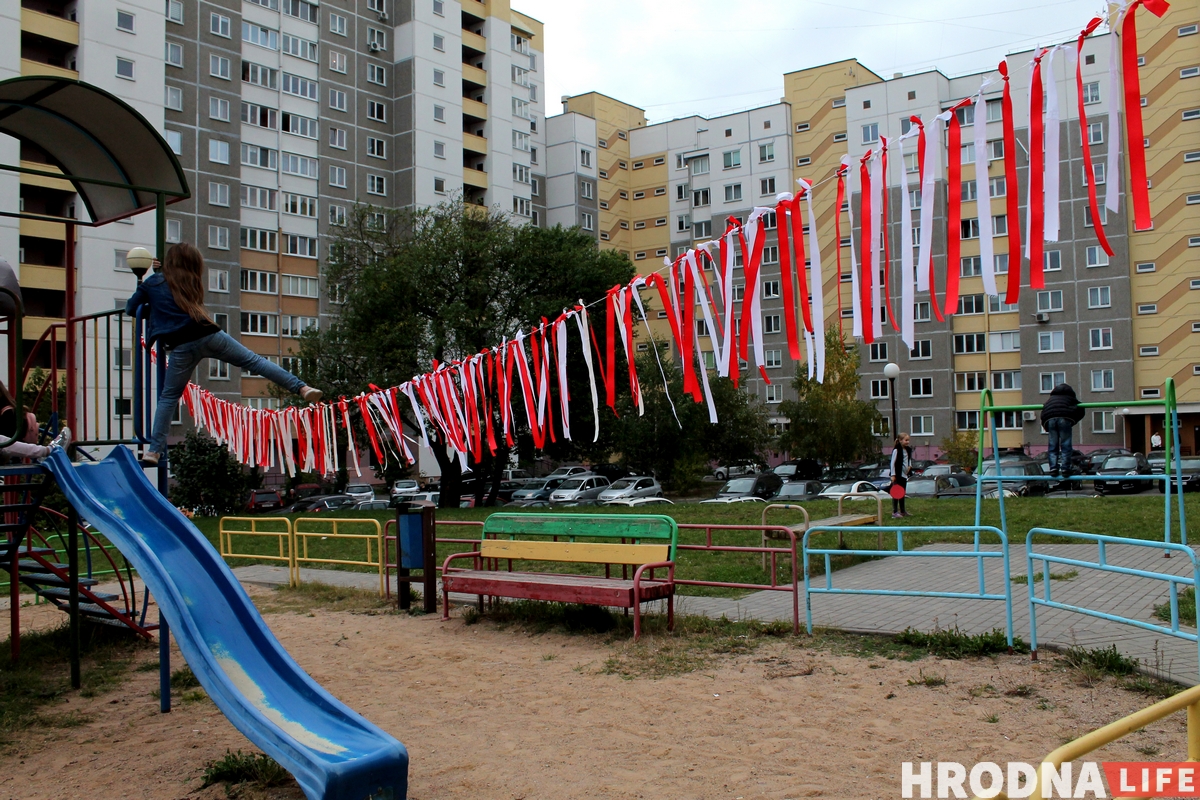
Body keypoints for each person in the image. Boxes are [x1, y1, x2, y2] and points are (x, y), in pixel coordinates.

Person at [125, 243, 321, 467]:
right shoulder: (190, 281)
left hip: (182, 346)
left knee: (169, 397)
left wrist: (153, 299)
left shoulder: (154, 282)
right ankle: (303, 388)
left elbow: (132, 308)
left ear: (169, 263)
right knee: (255, 361)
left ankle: (154, 451)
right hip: (209, 334)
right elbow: (177, 298)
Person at [0, 380, 69, 461]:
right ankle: (48, 451)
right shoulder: (9, 412)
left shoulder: (7, 412)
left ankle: (47, 451)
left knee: (3, 442)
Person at [1041, 383, 1085, 478]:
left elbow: (1044, 412)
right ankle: (1065, 468)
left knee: (1053, 446)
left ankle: (1053, 468)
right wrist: (1073, 420)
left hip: (1050, 419)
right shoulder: (1070, 398)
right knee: (1065, 445)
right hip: (1064, 418)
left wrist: (1046, 426)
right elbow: (1081, 408)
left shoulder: (1050, 399)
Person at [889, 433, 912, 519]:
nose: (907, 442)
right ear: (900, 440)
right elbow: (893, 463)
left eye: (908, 440)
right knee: (896, 493)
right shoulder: (896, 450)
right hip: (898, 474)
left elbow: (909, 459)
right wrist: (893, 474)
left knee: (902, 493)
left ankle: (902, 511)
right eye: (906, 440)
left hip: (904, 474)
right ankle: (894, 512)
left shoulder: (908, 450)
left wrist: (910, 466)